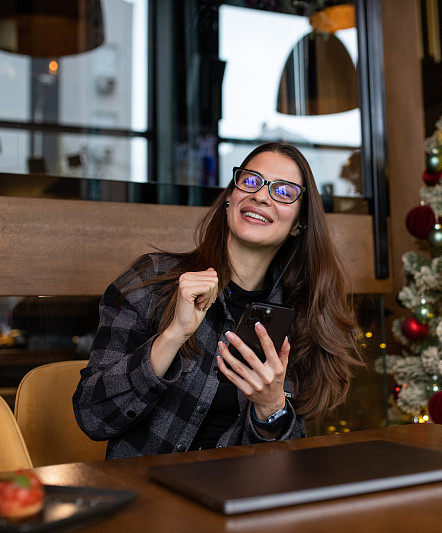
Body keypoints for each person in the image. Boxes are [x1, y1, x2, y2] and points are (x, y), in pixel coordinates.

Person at [73, 142, 362, 458]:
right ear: (230, 198)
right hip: (149, 497)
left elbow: (288, 464)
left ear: (299, 224)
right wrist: (172, 336)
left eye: (284, 191)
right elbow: (93, 417)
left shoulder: (302, 318)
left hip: (240, 500)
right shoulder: (152, 280)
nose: (261, 195)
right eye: (250, 181)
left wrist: (271, 406)